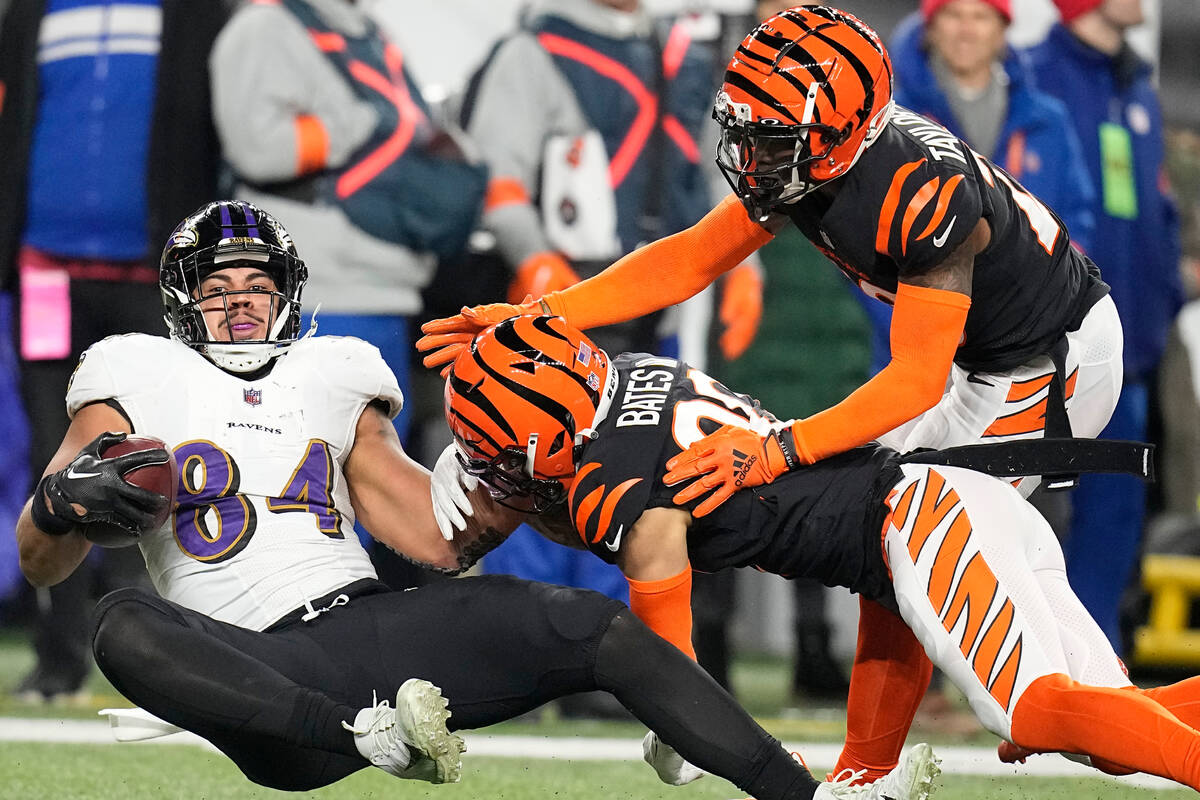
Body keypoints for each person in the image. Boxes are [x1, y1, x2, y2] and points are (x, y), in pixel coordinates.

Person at [15, 200, 938, 800]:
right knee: (121, 621)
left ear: (289, 297)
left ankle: (810, 798)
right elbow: (39, 557)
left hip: (365, 633)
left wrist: (506, 480)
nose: (242, 306)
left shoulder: (334, 372)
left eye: (258, 287)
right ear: (184, 302)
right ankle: (364, 737)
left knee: (590, 625)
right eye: (219, 291)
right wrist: (63, 503)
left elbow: (437, 539)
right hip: (251, 667)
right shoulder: (134, 372)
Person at [418, 5, 1123, 783]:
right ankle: (877, 772)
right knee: (902, 548)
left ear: (843, 132)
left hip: (1047, 363)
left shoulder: (916, 191)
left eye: (773, 138)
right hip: (981, 360)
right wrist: (535, 315)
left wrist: (776, 449)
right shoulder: (822, 157)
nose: (751, 152)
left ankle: (885, 767)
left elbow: (915, 378)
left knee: (917, 549)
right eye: (748, 128)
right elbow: (687, 260)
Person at [435, 314, 1200, 792]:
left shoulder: (620, 492)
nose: (499, 478)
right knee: (1112, 735)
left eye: (498, 458)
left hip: (923, 521)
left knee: (1038, 714)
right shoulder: (637, 377)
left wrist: (678, 729)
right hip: (932, 514)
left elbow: (671, 678)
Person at [456, 0, 764, 699]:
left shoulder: (675, 46)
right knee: (529, 474)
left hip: (653, 296)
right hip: (560, 301)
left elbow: (715, 166)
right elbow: (496, 177)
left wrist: (746, 264)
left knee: (632, 487)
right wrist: (534, 262)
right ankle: (516, 664)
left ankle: (611, 668)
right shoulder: (534, 52)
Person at [0, 0, 235, 703]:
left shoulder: (201, 14)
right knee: (56, 457)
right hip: (47, 273)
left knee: (162, 461)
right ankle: (60, 655)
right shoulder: (29, 13)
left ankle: (149, 656)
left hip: (156, 278)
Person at [1025, 0, 1184, 652]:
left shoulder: (1134, 84)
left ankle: (1097, 662)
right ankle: (1040, 662)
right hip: (1056, 345)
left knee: (1116, 514)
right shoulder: (1038, 76)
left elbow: (1152, 207)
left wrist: (1166, 294)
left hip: (1134, 344)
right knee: (1042, 515)